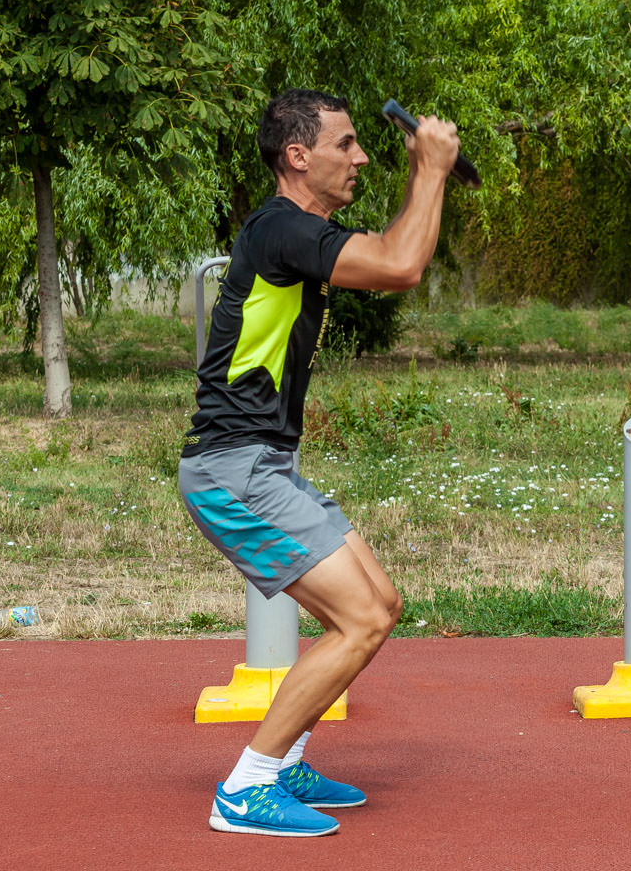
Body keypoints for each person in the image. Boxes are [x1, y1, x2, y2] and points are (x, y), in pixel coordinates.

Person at [180, 88, 461, 838]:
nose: (360, 157)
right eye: (345, 145)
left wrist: (421, 178)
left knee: (380, 603)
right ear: (297, 156)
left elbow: (394, 249)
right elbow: (401, 265)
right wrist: (430, 169)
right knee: (360, 619)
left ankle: (288, 756)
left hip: (262, 465)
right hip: (232, 471)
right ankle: (245, 789)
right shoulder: (280, 230)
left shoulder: (295, 234)